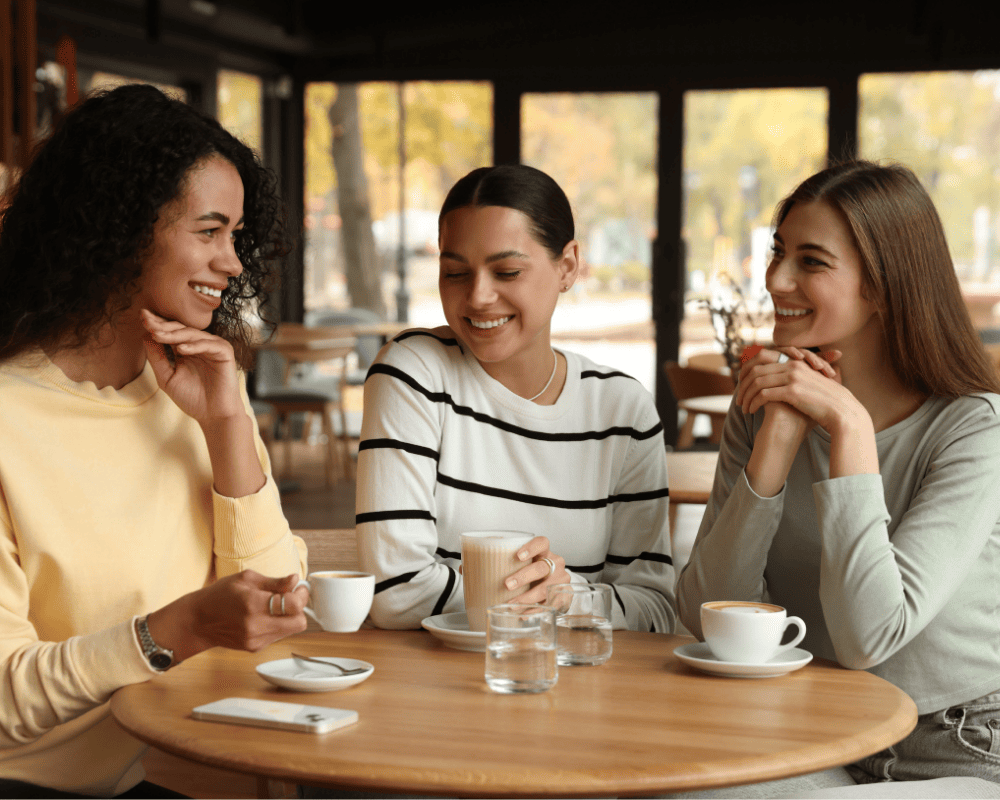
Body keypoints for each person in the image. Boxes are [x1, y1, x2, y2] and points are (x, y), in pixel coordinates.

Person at [0, 84, 309, 798]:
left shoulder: (199, 398)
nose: (233, 264)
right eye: (208, 232)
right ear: (120, 227)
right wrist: (172, 630)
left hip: (162, 768)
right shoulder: (12, 420)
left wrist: (227, 427)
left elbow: (279, 606)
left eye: (236, 235)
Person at [676, 160, 1000, 793]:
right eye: (778, 253)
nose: (776, 279)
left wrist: (850, 430)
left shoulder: (973, 428)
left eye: (811, 261)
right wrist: (776, 442)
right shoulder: (764, 408)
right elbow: (703, 612)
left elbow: (868, 635)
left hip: (954, 743)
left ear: (883, 288)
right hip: (811, 725)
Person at [355, 164, 675, 633]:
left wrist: (568, 596)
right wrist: (555, 602)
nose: (479, 296)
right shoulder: (414, 374)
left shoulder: (622, 411)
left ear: (567, 267)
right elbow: (396, 593)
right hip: (431, 691)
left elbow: (655, 613)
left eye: (507, 271)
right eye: (455, 272)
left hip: (579, 693)